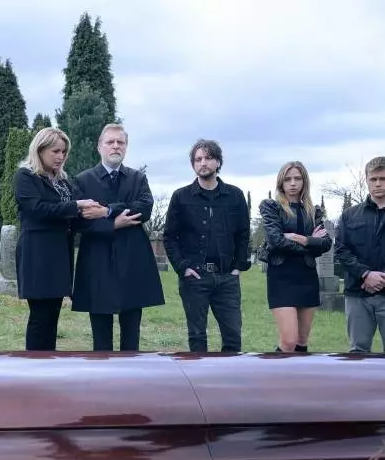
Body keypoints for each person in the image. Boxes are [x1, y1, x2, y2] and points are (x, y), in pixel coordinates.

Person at [72, 123, 165, 351]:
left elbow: (144, 209)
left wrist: (107, 211)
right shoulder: (83, 180)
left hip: (132, 258)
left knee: (131, 333)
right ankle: (103, 371)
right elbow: (80, 221)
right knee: (101, 335)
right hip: (97, 259)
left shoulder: (137, 178)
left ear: (126, 147)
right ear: (99, 147)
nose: (115, 146)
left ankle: (130, 371)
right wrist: (114, 224)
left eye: (120, 142)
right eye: (110, 142)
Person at [13, 127, 100, 350]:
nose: (61, 156)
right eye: (55, 151)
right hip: (38, 255)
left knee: (52, 316)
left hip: (60, 254)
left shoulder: (63, 181)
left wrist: (103, 214)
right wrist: (76, 206)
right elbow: (37, 209)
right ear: (40, 150)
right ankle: (35, 363)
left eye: (64, 152)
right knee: (40, 316)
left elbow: (78, 210)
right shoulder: (25, 176)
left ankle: (49, 360)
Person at [163, 138, 251, 352]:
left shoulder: (235, 196)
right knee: (197, 338)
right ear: (193, 164)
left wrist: (237, 267)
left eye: (208, 158)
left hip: (227, 277)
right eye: (198, 159)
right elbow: (170, 237)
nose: (203, 163)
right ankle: (198, 375)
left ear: (218, 162)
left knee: (233, 337)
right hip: (195, 277)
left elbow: (243, 234)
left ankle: (229, 374)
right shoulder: (181, 197)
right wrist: (183, 268)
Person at [259, 161, 331, 352]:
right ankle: (276, 372)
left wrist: (299, 238)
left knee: (301, 340)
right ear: (280, 183)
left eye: (297, 178)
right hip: (281, 277)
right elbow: (276, 241)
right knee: (289, 341)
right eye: (287, 179)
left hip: (307, 276)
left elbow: (325, 243)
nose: (292, 183)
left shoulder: (313, 211)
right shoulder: (272, 207)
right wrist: (311, 243)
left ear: (304, 181)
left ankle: (299, 373)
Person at [335, 156, 385, 353]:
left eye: (383, 178)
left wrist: (381, 278)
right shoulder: (350, 215)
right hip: (358, 294)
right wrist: (366, 274)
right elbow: (341, 249)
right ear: (366, 180)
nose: (378, 183)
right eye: (374, 179)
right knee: (358, 353)